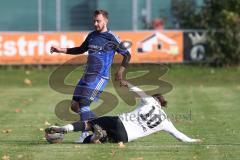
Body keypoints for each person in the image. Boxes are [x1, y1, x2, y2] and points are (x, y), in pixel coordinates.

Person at [50, 9, 131, 143]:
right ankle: (100, 128)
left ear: (105, 21)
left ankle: (85, 133)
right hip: (86, 76)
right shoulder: (92, 35)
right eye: (94, 21)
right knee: (74, 106)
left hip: (99, 77)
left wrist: (120, 71)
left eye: (98, 21)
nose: (95, 23)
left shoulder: (112, 38)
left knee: (83, 103)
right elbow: (81, 49)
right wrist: (61, 50)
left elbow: (127, 55)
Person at [45, 82, 201, 145]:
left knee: (89, 124)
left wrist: (127, 84)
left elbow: (139, 92)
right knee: (102, 139)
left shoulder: (151, 101)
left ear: (156, 99)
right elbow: (180, 137)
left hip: (120, 122)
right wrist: (195, 140)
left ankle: (65, 128)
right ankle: (95, 138)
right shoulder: (166, 121)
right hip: (125, 137)